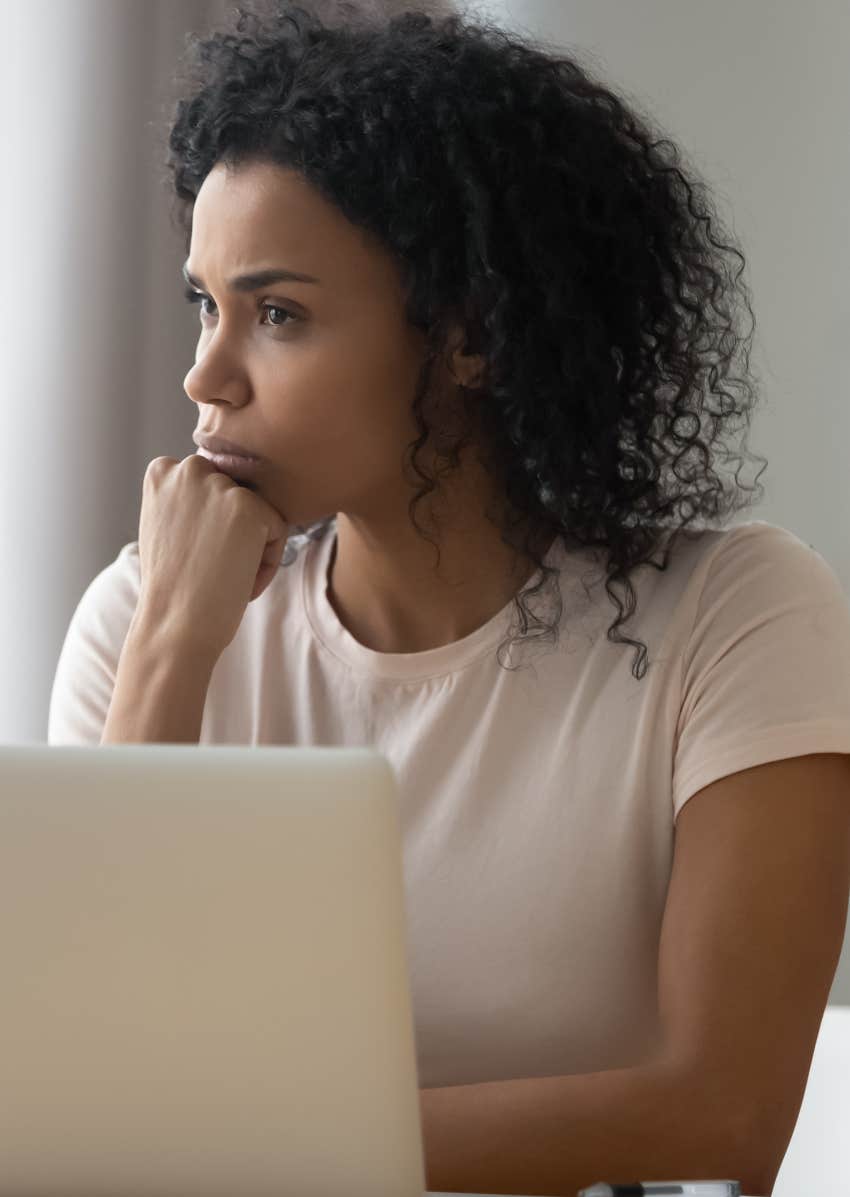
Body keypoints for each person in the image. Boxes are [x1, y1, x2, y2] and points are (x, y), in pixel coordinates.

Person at [48, 3, 850, 1194]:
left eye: (278, 314)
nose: (205, 374)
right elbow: (84, 1087)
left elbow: (721, 1111)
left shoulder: (736, 615)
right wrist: (171, 647)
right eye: (203, 306)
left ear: (469, 333)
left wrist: (232, 1148)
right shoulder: (148, 613)